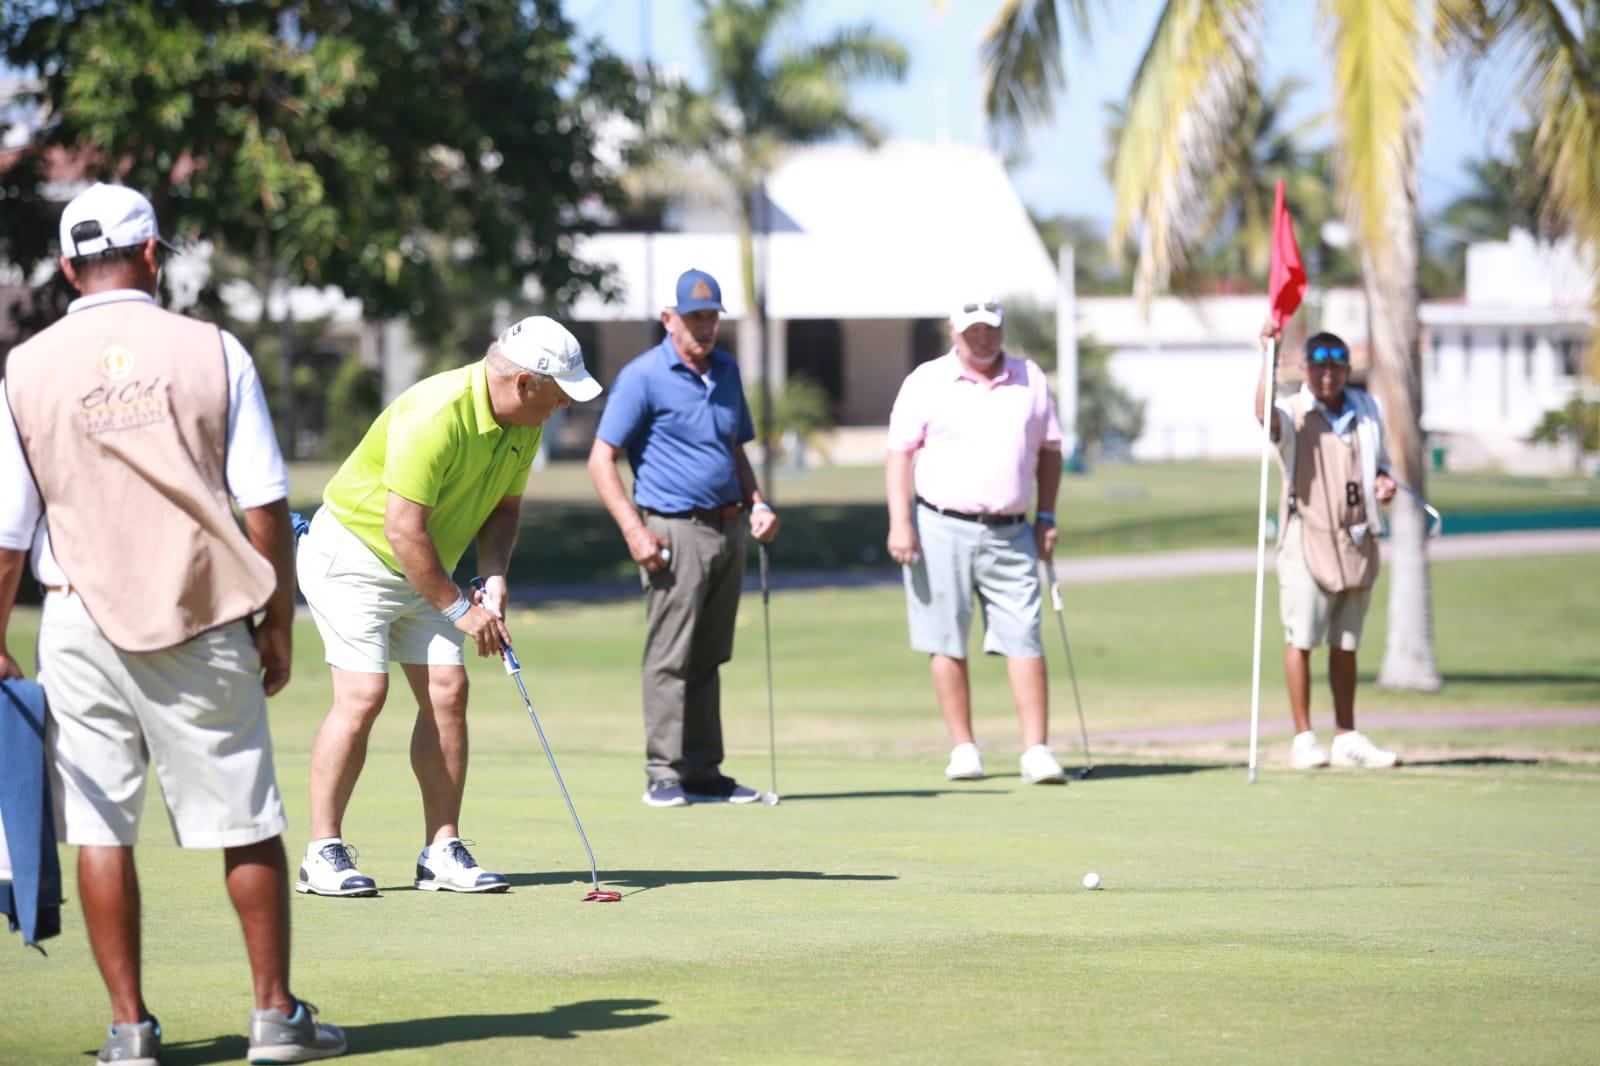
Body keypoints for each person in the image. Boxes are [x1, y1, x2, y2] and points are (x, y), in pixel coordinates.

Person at [0, 183, 344, 1063]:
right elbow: (263, 500)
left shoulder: (24, 366)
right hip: (200, 615)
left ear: (69, 265)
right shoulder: (212, 348)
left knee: (98, 828)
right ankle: (275, 1018)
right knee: (245, 816)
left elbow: (8, 534)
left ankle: (130, 1032)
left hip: (78, 623)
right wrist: (277, 621)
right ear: (153, 254)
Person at [297, 316, 601, 895]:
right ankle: (322, 852)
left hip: (425, 562)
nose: (564, 405)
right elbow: (402, 529)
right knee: (364, 695)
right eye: (560, 393)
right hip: (353, 557)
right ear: (526, 383)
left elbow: (503, 511)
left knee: (448, 690)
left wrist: (494, 576)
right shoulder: (435, 413)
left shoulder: (524, 422)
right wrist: (460, 607)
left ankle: (440, 850)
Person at [587, 267, 780, 807]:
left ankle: (702, 769)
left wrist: (758, 503)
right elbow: (602, 459)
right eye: (694, 317)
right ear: (668, 318)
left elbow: (735, 449)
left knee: (710, 653)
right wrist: (634, 530)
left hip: (729, 526)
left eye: (711, 317)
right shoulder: (644, 375)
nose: (704, 327)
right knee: (670, 654)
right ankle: (663, 772)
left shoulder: (727, 370)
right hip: (671, 528)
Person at [885, 296, 1068, 784]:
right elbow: (899, 455)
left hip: (1012, 530)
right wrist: (899, 523)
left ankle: (1036, 750)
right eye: (972, 330)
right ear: (953, 331)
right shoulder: (926, 381)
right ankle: (964, 748)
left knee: (1025, 634)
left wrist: (1046, 513)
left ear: (1001, 328)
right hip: (938, 525)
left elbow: (1051, 451)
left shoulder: (1031, 378)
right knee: (945, 636)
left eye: (990, 328)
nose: (982, 337)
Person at [1256, 325, 1400, 769]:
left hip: (1355, 537)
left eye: (1336, 367)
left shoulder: (1365, 411)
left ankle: (1346, 735)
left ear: (1346, 371)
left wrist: (1383, 483)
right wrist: (1267, 355)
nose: (1328, 376)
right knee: (1302, 637)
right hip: (1307, 534)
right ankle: (1303, 738)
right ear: (1306, 369)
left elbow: (1377, 466)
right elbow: (1264, 416)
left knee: (1347, 641)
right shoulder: (1295, 411)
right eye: (1320, 367)